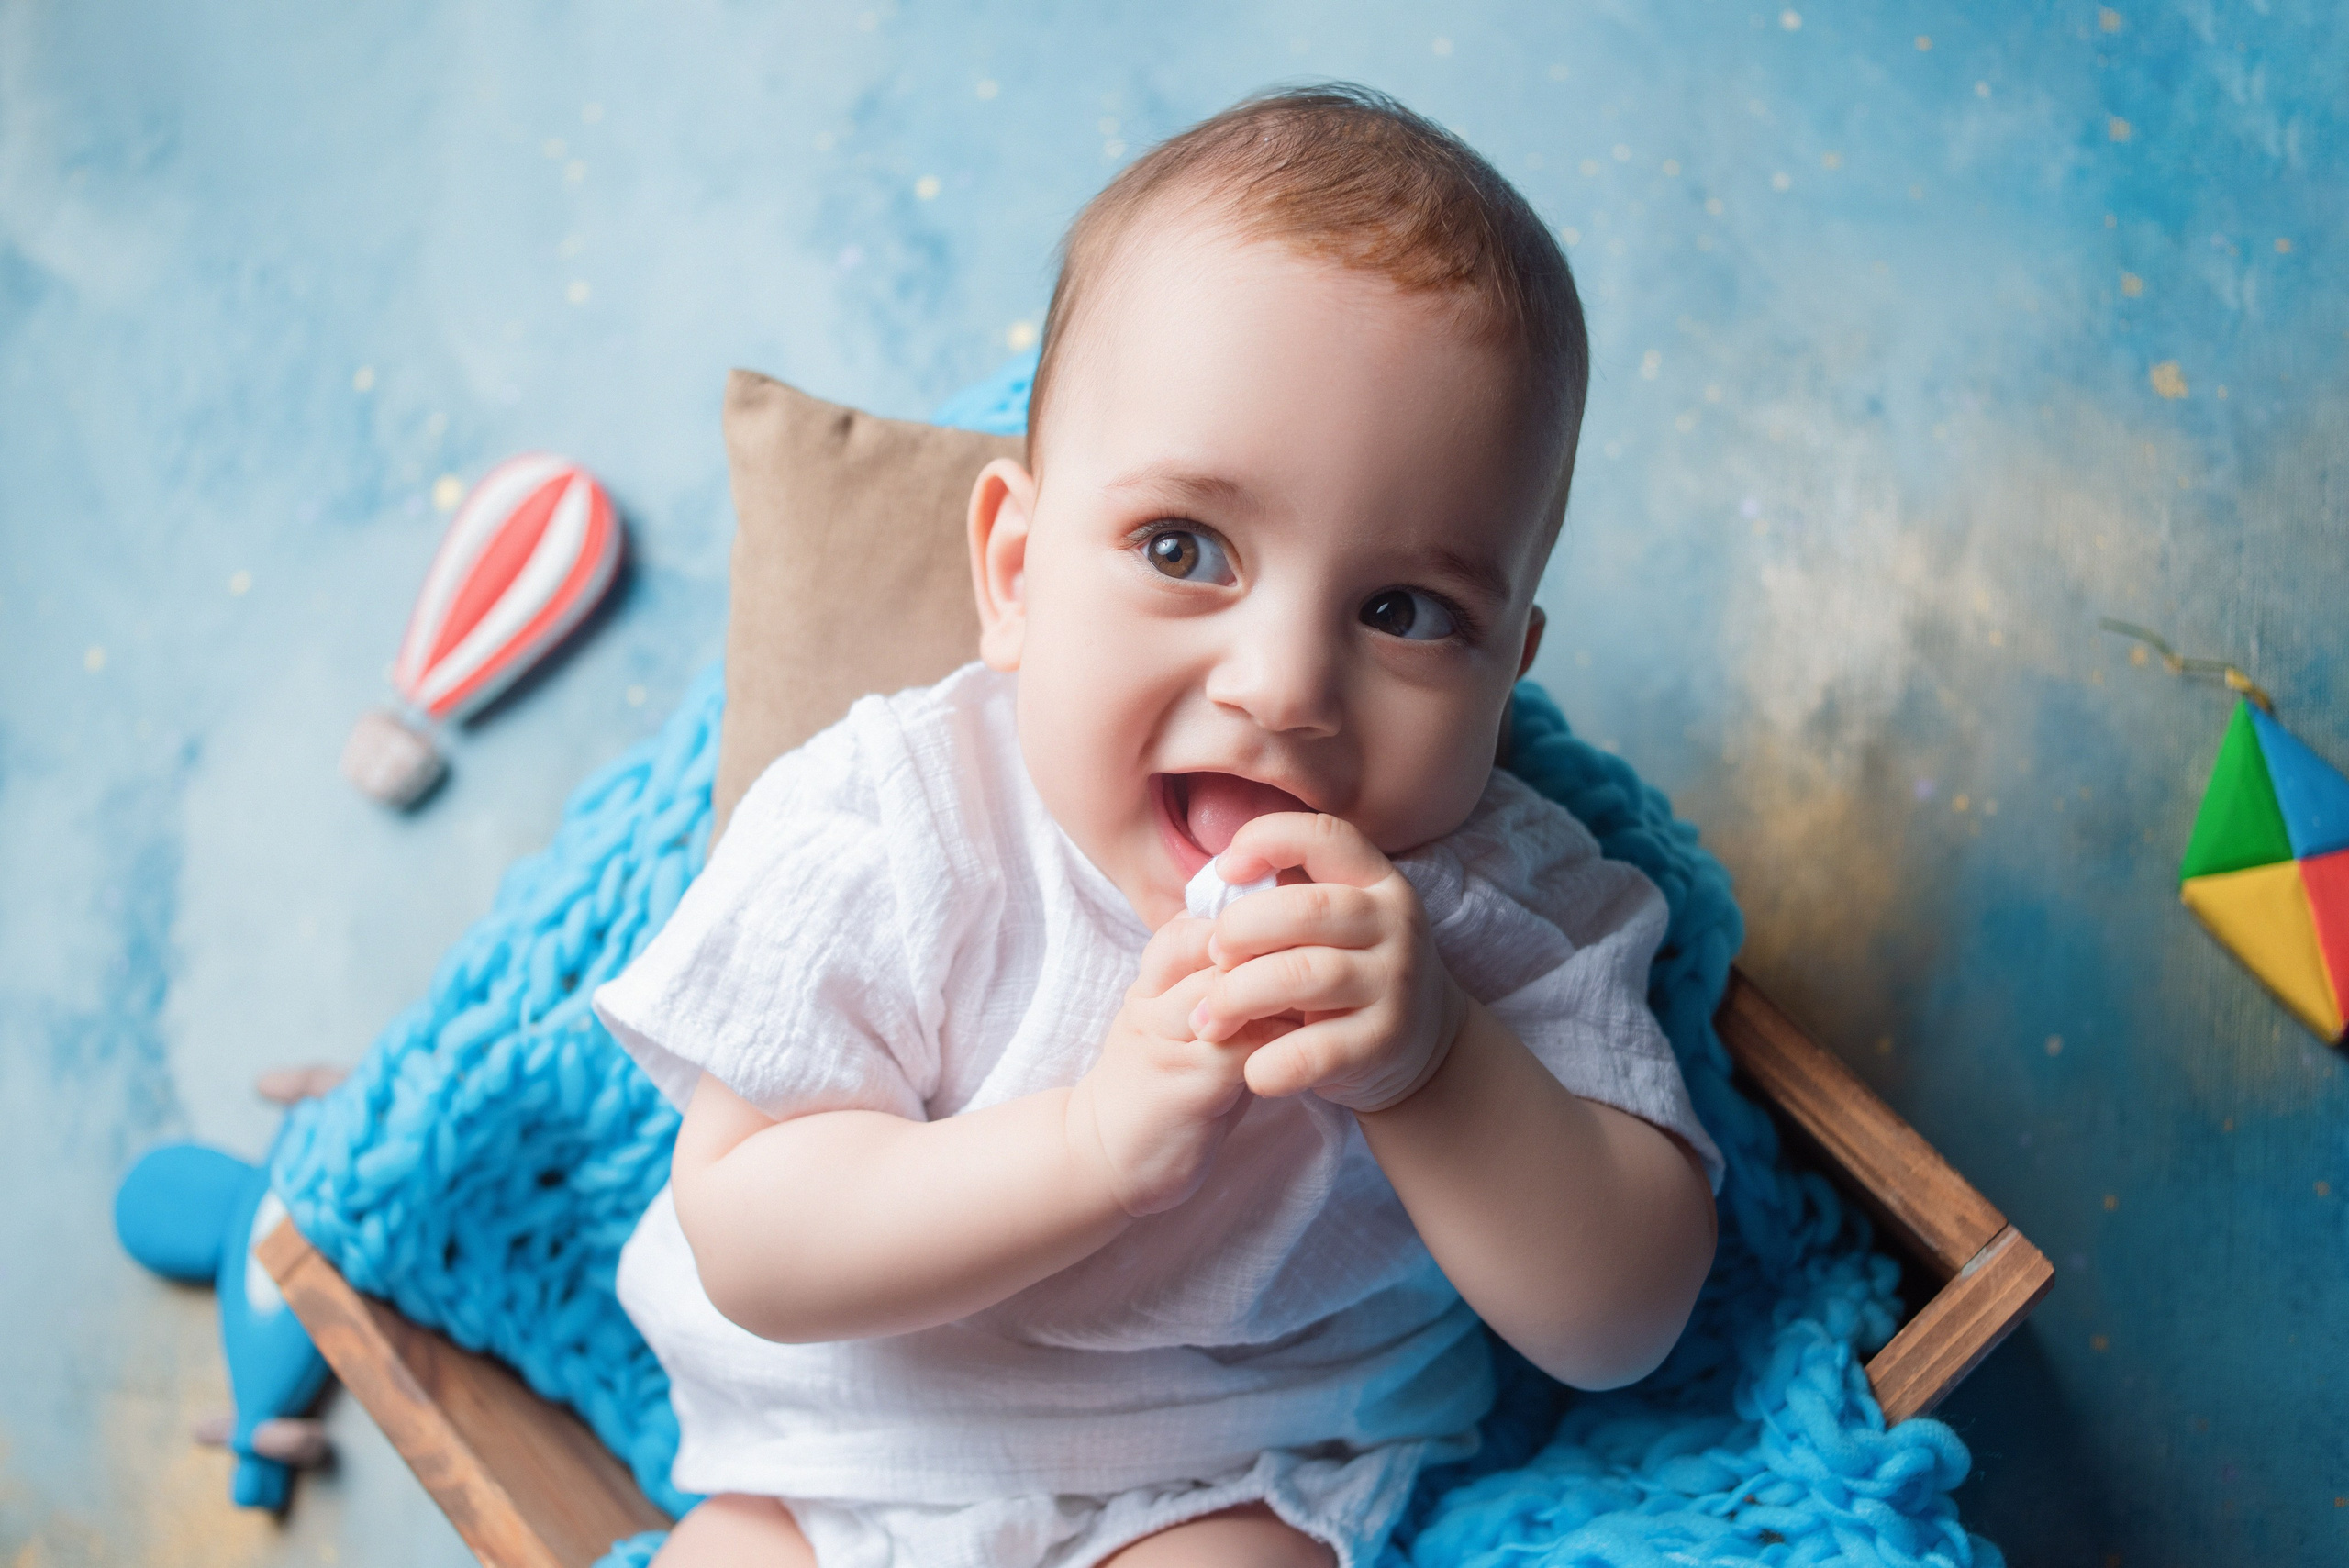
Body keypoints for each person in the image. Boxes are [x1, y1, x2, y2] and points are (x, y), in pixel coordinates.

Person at [594, 83, 1722, 1568]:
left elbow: (1625, 1318)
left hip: (1239, 1466)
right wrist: (1089, 1145)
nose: (1283, 684)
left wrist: (1438, 1061)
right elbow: (754, 1233)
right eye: (1183, 548)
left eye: (1403, 610)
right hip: (848, 1445)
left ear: (1506, 671)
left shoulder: (1500, 906)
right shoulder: (904, 823)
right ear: (1016, 572)